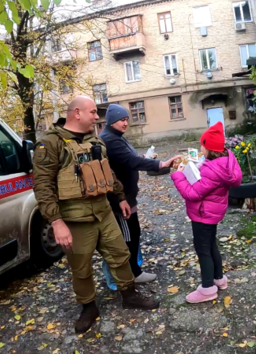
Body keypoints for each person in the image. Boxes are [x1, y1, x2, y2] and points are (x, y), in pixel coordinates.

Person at [33, 96, 159, 334]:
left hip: (104, 212)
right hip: (75, 219)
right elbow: (43, 187)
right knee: (81, 267)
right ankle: (88, 307)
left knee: (121, 255)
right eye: (92, 112)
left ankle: (129, 295)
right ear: (77, 113)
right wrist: (57, 222)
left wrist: (121, 197)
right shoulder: (50, 144)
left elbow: (107, 173)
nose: (96, 117)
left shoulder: (95, 140)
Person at [99, 104, 181, 286]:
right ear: (112, 120)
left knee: (133, 233)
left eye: (127, 119)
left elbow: (129, 157)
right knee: (127, 237)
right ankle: (130, 275)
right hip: (119, 201)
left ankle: (131, 271)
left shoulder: (117, 137)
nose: (125, 123)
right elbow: (130, 160)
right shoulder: (109, 139)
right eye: (122, 119)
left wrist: (145, 157)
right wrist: (161, 164)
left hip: (127, 197)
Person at [170, 122, 242, 303]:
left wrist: (178, 175)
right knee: (211, 245)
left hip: (203, 214)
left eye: (202, 144)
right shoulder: (224, 161)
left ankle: (208, 288)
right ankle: (219, 279)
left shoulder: (212, 170)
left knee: (203, 249)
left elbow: (192, 193)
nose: (200, 147)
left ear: (208, 148)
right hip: (212, 213)